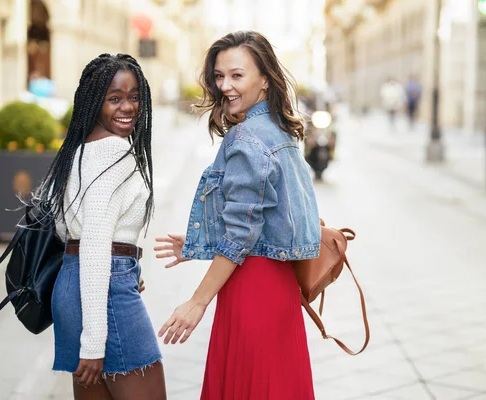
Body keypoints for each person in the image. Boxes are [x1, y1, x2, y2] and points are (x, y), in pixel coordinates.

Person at [154, 31, 321, 400]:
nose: (225, 85)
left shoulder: (248, 139)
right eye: (218, 76)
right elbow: (260, 220)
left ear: (265, 80)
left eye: (237, 75)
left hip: (252, 290)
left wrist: (196, 302)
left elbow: (242, 235)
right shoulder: (278, 130)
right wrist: (201, 243)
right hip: (277, 288)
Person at [35, 54, 166, 400]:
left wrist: (129, 265)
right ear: (94, 100)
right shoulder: (113, 152)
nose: (128, 107)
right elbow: (94, 243)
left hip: (75, 287)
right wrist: (94, 343)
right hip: (104, 292)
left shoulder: (78, 151)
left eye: (135, 96)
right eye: (114, 98)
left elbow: (69, 231)